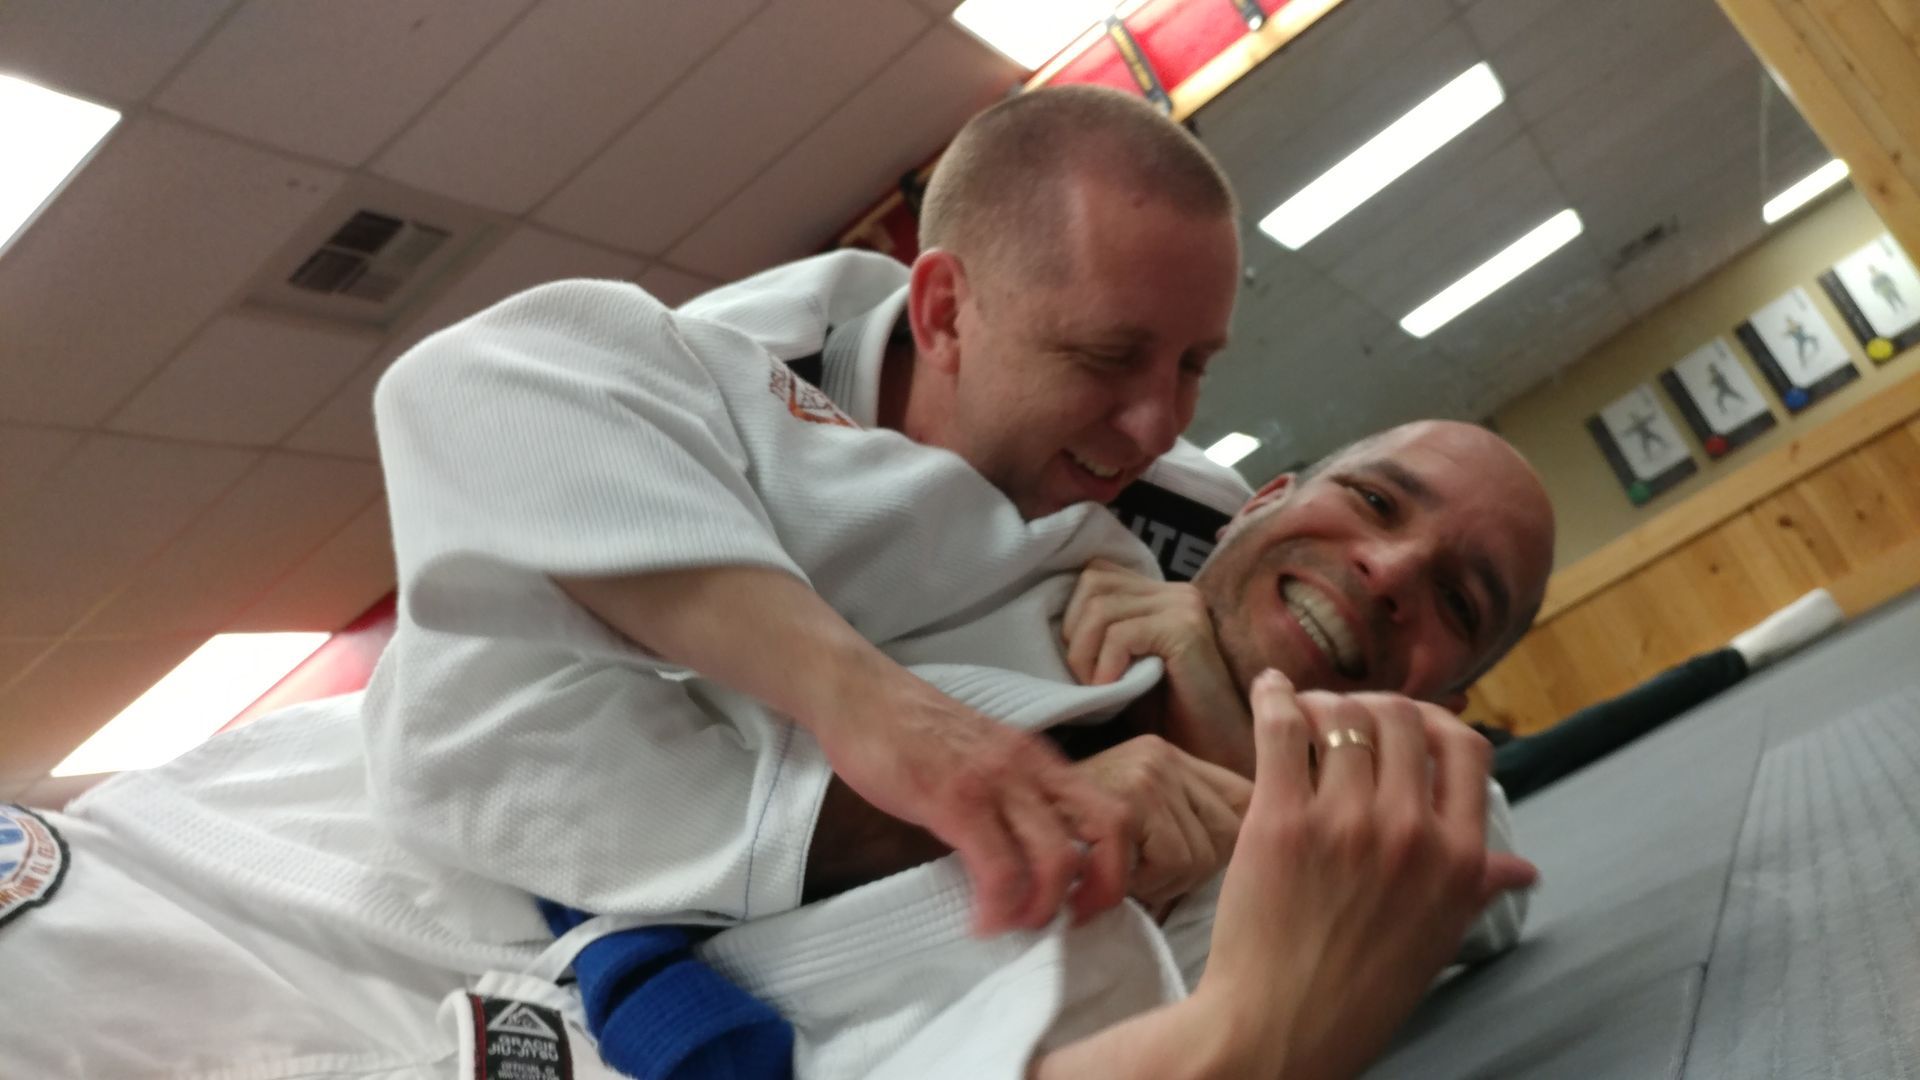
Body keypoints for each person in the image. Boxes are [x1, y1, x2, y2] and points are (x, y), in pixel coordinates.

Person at [0, 87, 1548, 1078]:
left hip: (592, 1006)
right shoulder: (711, 373)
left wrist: (1228, 703)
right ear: (943, 310)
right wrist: (889, 726)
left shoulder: (1183, 539)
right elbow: (478, 412)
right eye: (1108, 361)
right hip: (317, 849)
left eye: (1196, 370)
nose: (1154, 421)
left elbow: (1452, 842)